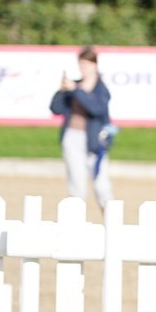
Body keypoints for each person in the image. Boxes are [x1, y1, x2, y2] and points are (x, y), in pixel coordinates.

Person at [50, 45, 115, 209]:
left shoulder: (101, 90)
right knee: (76, 185)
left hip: (95, 141)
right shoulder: (74, 87)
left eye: (87, 64)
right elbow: (55, 108)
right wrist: (61, 90)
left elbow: (96, 109)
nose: (84, 68)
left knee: (102, 186)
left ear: (95, 65)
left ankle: (111, 222)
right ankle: (75, 223)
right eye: (82, 64)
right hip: (72, 136)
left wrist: (77, 91)